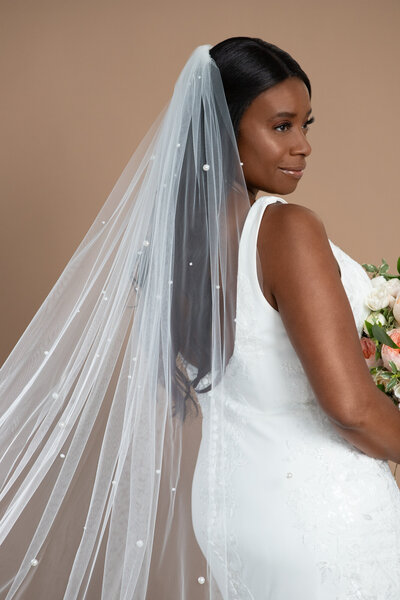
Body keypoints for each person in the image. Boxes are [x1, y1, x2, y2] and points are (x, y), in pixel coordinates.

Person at [1, 35, 400, 600]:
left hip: (231, 509)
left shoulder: (177, 245)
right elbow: (352, 409)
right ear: (224, 130)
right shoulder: (285, 228)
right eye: (282, 126)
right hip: (319, 508)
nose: (304, 146)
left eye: (307, 125)